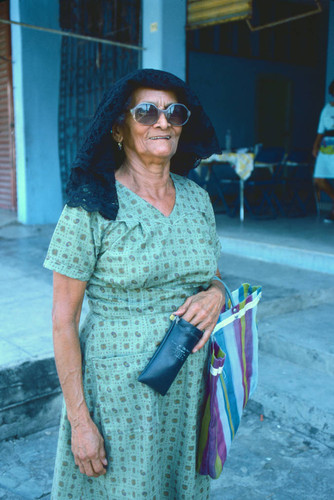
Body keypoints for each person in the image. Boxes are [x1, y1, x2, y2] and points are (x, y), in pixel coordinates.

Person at [44, 68, 224, 499]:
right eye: (146, 112)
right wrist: (81, 422)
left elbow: (212, 275)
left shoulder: (197, 198)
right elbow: (63, 321)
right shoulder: (92, 205)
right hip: (119, 394)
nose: (162, 122)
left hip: (189, 386)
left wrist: (216, 294)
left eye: (174, 113)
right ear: (119, 128)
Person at [312, 79, 334, 222]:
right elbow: (321, 130)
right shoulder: (326, 109)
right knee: (318, 179)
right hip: (326, 147)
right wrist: (315, 146)